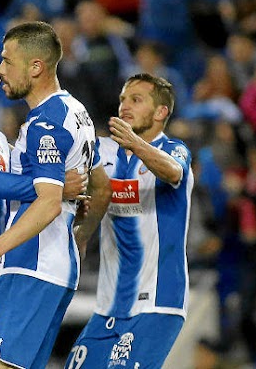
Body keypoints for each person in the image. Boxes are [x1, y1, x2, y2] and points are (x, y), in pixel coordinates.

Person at [0, 21, 109, 368]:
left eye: (8, 61)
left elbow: (49, 202)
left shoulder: (45, 124)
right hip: (56, 267)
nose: (0, 70)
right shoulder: (77, 113)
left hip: (31, 266)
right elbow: (102, 186)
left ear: (36, 66)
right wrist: (80, 236)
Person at [65, 73, 194, 369]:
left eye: (136, 100)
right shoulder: (103, 151)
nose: (124, 106)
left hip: (157, 303)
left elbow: (174, 172)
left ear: (161, 112)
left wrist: (134, 143)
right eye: (123, 99)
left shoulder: (173, 150)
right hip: (108, 305)